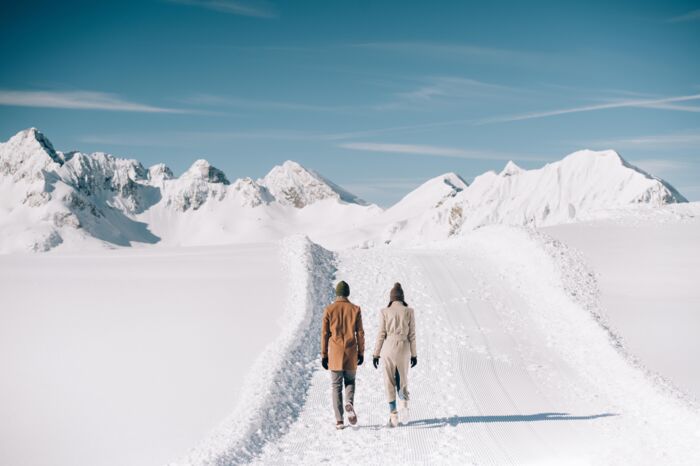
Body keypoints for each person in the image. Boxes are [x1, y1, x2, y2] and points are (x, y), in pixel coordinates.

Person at [321, 280, 365, 430]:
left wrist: (324, 354)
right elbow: (360, 333)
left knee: (336, 386)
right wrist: (361, 352)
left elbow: (325, 334)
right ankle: (349, 402)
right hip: (351, 352)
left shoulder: (329, 309)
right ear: (348, 293)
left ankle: (339, 421)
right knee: (350, 381)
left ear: (337, 293)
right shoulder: (355, 309)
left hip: (335, 353)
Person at [372, 282, 417, 428]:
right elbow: (412, 335)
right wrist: (414, 354)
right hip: (404, 346)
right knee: (402, 378)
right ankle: (404, 404)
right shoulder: (409, 311)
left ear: (391, 298)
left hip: (388, 347)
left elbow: (381, 334)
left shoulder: (385, 311)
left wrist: (376, 353)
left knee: (389, 381)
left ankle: (394, 416)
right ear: (402, 298)